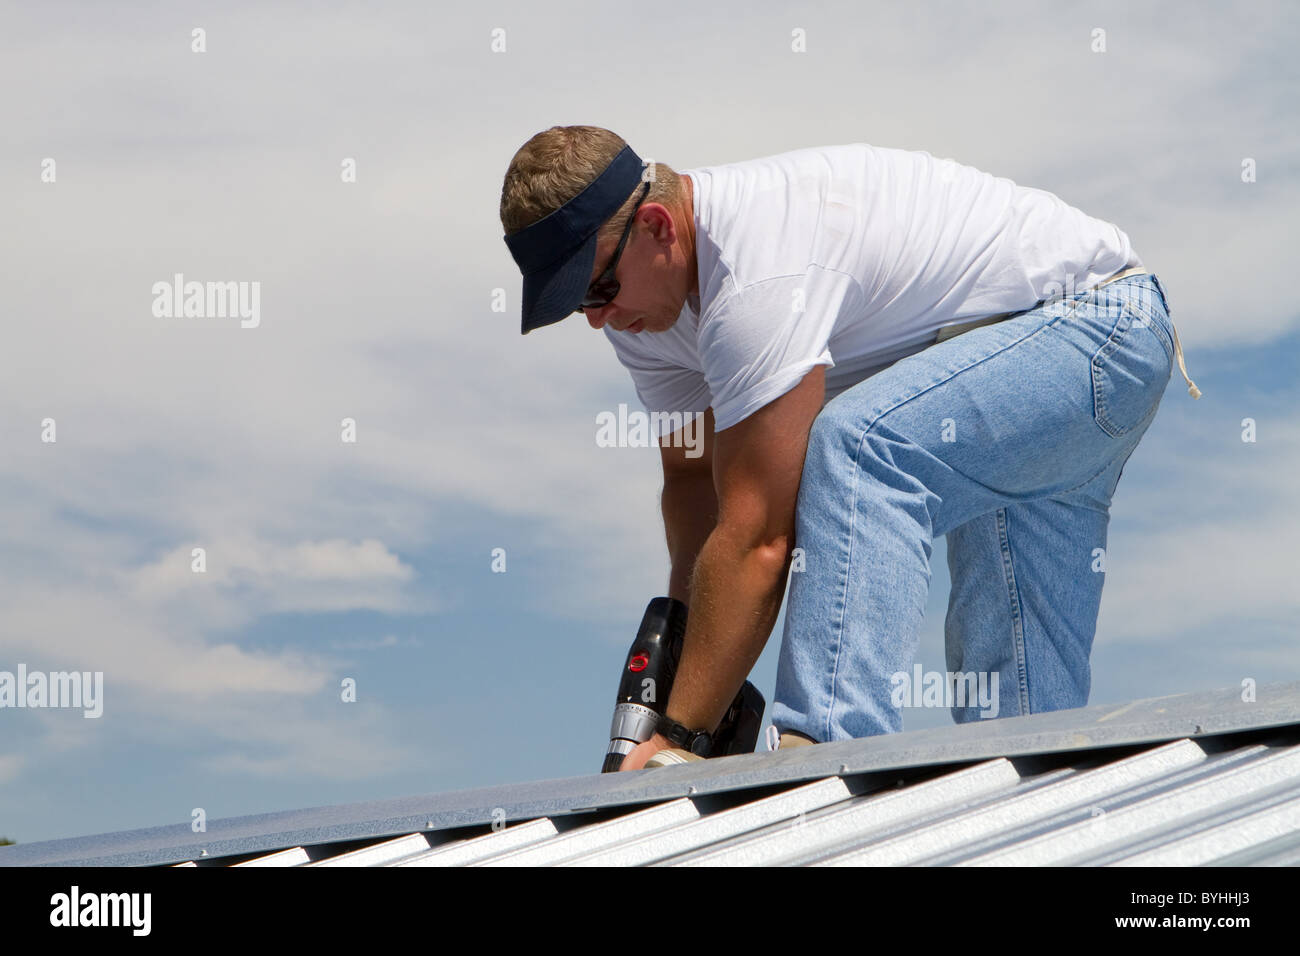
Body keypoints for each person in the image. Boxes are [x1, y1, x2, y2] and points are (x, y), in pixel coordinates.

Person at [499, 125, 1200, 770]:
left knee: (862, 447)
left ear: (656, 226)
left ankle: (824, 746)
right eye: (576, 307)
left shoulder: (756, 272)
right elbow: (695, 486)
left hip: (1096, 329)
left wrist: (680, 738)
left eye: (599, 289)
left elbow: (759, 538)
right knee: (1016, 742)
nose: (598, 321)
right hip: (1025, 374)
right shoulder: (641, 323)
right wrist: (684, 664)